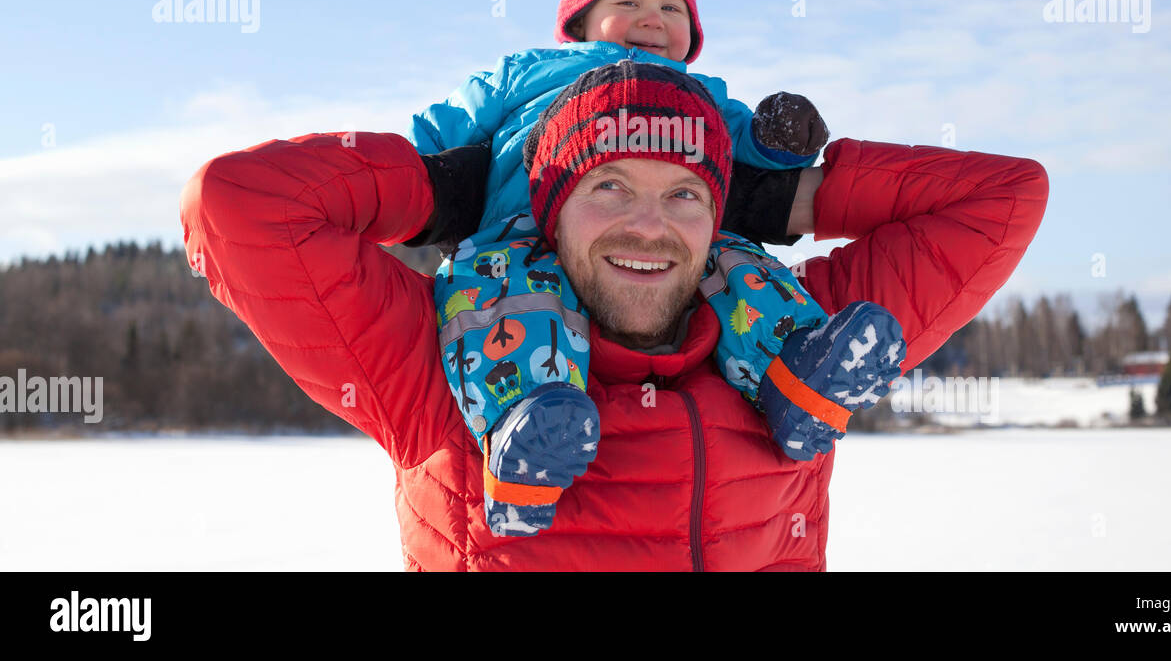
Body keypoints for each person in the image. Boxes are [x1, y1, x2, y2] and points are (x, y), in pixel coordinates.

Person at [179, 69, 1050, 571]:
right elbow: (237, 208)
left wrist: (789, 196)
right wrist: (438, 190)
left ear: (719, 223)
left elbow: (1003, 198)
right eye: (609, 189)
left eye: (683, 196)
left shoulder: (798, 342)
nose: (649, 224)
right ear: (547, 215)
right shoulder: (443, 360)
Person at [402, 0, 903, 535]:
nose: (652, 19)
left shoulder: (697, 92)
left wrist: (777, 138)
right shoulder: (528, 71)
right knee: (507, 303)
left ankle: (795, 377)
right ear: (578, 18)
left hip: (666, 239)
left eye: (672, 9)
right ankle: (523, 441)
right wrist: (406, 172)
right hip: (522, 234)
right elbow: (444, 127)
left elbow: (744, 143)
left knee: (740, 268)